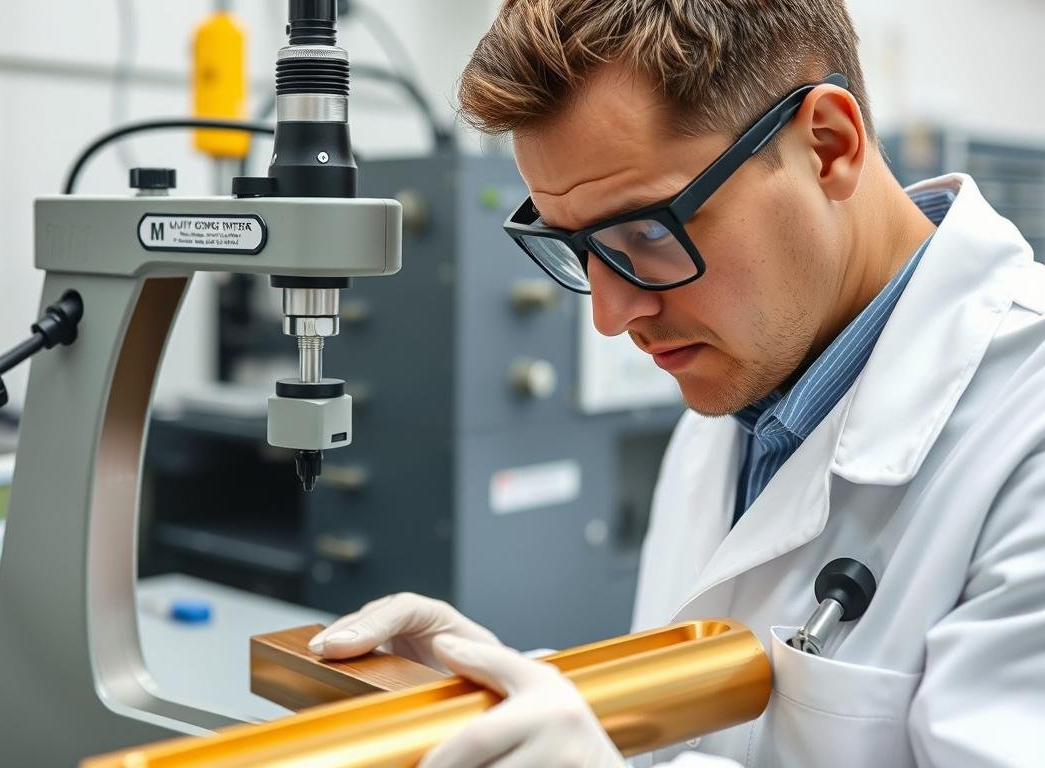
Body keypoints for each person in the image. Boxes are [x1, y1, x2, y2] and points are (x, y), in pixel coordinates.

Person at [307, 1, 1045, 765]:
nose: (612, 314)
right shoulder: (740, 392)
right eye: (574, 247)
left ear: (827, 145)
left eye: (648, 233)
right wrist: (519, 698)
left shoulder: (1026, 427)